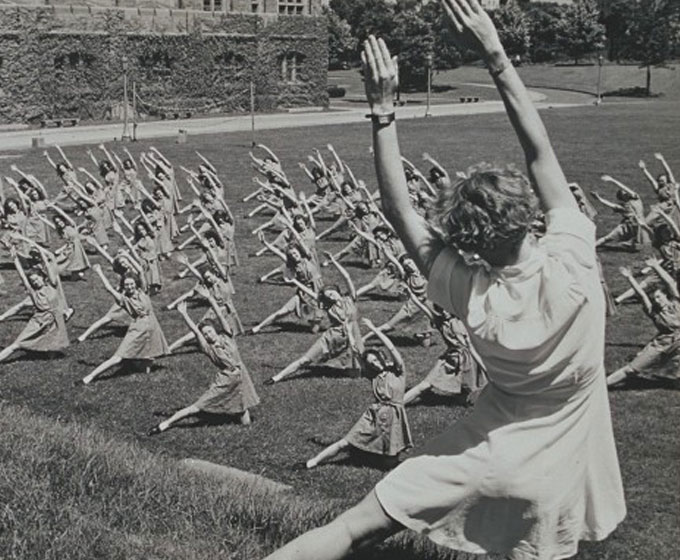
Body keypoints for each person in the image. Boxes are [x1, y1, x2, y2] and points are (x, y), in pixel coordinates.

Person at [262, 4, 624, 559]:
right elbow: (540, 153)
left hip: (484, 454)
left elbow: (398, 210)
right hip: (562, 470)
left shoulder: (468, 288)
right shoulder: (573, 258)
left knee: (352, 528)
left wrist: (383, 110)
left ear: (469, 243)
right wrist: (494, 53)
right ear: (529, 214)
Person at [305, 318, 412, 469]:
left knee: (389, 463)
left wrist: (374, 329)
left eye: (376, 360)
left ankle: (372, 453)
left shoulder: (399, 371)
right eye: (371, 363)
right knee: (345, 442)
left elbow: (392, 348)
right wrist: (350, 332)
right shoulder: (373, 376)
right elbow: (356, 351)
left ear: (382, 357)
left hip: (394, 417)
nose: (375, 364)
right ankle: (312, 462)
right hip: (374, 415)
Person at [148, 300, 259, 434]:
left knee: (242, 407)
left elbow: (220, 316)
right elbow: (195, 331)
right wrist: (184, 314)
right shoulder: (208, 348)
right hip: (226, 380)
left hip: (241, 375)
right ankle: (164, 425)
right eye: (205, 334)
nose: (208, 335)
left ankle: (248, 432)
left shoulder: (227, 337)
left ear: (216, 330)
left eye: (210, 331)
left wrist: (209, 298)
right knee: (197, 407)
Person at [265, 252, 363, 384]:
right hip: (333, 337)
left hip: (353, 335)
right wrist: (294, 281)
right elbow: (310, 293)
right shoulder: (330, 307)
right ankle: (276, 377)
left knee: (356, 375)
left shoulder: (351, 298)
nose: (332, 296)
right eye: (328, 296)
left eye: (332, 292)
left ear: (336, 290)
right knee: (305, 360)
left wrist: (334, 262)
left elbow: (347, 277)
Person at [0, 248, 69, 371]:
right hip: (39, 320)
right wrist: (15, 259)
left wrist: (41, 253)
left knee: (52, 344)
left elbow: (48, 265)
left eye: (37, 278)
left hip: (55, 319)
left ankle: (49, 359)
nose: (35, 282)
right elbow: (22, 276)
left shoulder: (52, 285)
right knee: (17, 344)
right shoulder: (33, 292)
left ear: (43, 277)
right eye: (33, 281)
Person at [80, 266, 168, 384]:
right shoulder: (123, 299)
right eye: (126, 285)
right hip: (138, 328)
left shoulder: (142, 291)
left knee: (149, 355)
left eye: (131, 284)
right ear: (123, 286)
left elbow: (140, 270)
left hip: (152, 325)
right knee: (118, 358)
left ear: (136, 284)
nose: (129, 287)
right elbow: (109, 289)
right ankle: (89, 377)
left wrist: (128, 257)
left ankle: (145, 376)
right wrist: (100, 272)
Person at [606, 259, 679, 387]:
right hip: (662, 344)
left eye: (659, 296)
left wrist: (656, 266)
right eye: (654, 299)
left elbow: (670, 282)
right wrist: (629, 278)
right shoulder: (653, 312)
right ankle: (602, 385)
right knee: (631, 370)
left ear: (665, 295)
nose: (657, 300)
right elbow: (642, 295)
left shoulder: (676, 303)